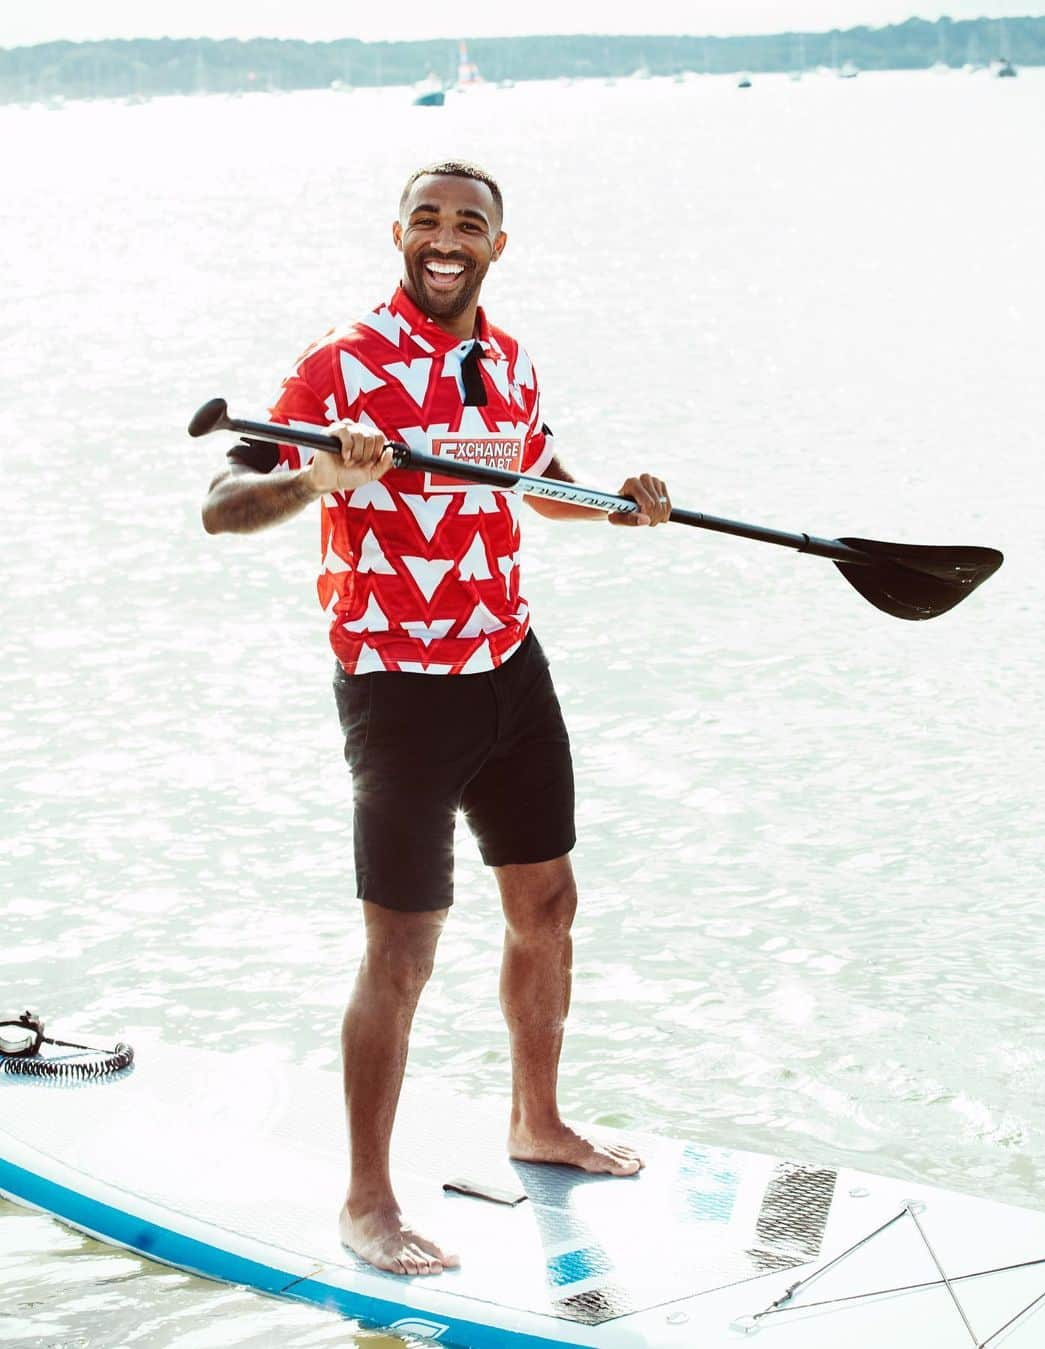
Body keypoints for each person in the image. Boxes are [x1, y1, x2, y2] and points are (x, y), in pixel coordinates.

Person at [201, 159, 672, 1278]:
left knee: (547, 902)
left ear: (498, 245)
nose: (447, 236)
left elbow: (536, 473)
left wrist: (618, 502)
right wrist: (322, 479)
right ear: (399, 234)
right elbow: (222, 507)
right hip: (399, 686)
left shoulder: (506, 359)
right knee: (403, 948)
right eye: (428, 218)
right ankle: (367, 1199)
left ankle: (537, 1121)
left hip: (510, 664)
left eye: (471, 221)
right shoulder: (340, 361)